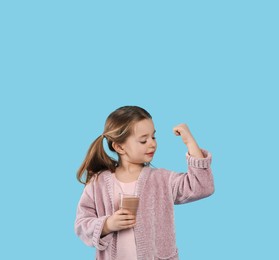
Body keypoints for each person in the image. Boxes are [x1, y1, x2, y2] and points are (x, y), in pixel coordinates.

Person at [74, 105, 214, 260]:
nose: (152, 144)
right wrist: (107, 224)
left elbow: (202, 186)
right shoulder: (98, 183)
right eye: (143, 140)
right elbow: (82, 223)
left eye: (153, 137)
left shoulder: (162, 179)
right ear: (119, 147)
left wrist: (190, 142)